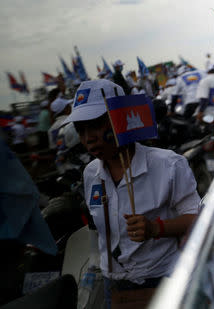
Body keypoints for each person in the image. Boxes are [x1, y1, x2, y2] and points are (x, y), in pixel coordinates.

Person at [62, 79, 200, 308]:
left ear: (120, 120)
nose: (88, 138)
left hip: (163, 280)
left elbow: (198, 219)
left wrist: (157, 228)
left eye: (96, 125)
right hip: (114, 285)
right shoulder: (90, 174)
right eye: (81, 130)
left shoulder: (169, 165)